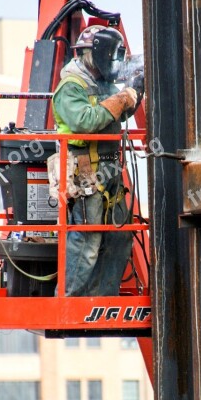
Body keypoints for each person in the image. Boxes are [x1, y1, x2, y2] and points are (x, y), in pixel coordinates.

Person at [52, 25, 138, 296]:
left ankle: (100, 298)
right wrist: (121, 99)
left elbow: (114, 114)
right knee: (88, 239)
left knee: (120, 235)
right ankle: (68, 300)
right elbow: (85, 122)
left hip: (111, 168)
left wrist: (135, 92)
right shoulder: (71, 87)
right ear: (95, 55)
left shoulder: (102, 83)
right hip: (86, 169)